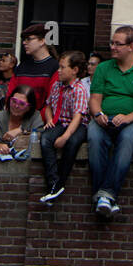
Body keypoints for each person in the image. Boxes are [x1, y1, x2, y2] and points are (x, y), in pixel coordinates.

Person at [88, 25, 133, 218]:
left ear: (131, 46)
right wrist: (98, 114)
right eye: (112, 43)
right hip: (105, 120)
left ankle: (105, 194)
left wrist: (128, 117)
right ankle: (106, 197)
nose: (113, 47)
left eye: (118, 44)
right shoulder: (104, 68)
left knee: (126, 140)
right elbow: (95, 99)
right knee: (93, 136)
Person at [39, 51, 90, 204]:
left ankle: (60, 182)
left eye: (62, 67)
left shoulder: (79, 89)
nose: (58, 71)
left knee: (72, 143)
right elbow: (48, 105)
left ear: (74, 70)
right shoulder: (56, 85)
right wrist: (49, 119)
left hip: (78, 125)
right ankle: (53, 181)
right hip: (60, 121)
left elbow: (78, 117)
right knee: (45, 139)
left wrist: (64, 137)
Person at [6, 24, 58, 113]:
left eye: (28, 39)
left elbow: (52, 100)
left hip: (40, 122)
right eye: (24, 39)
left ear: (42, 41)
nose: (24, 42)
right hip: (16, 117)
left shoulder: (54, 67)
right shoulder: (21, 67)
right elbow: (10, 94)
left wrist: (37, 120)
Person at [0, 84, 43, 157]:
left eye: (22, 104)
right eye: (14, 101)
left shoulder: (35, 116)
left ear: (29, 107)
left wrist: (21, 131)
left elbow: (40, 135)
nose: (16, 106)